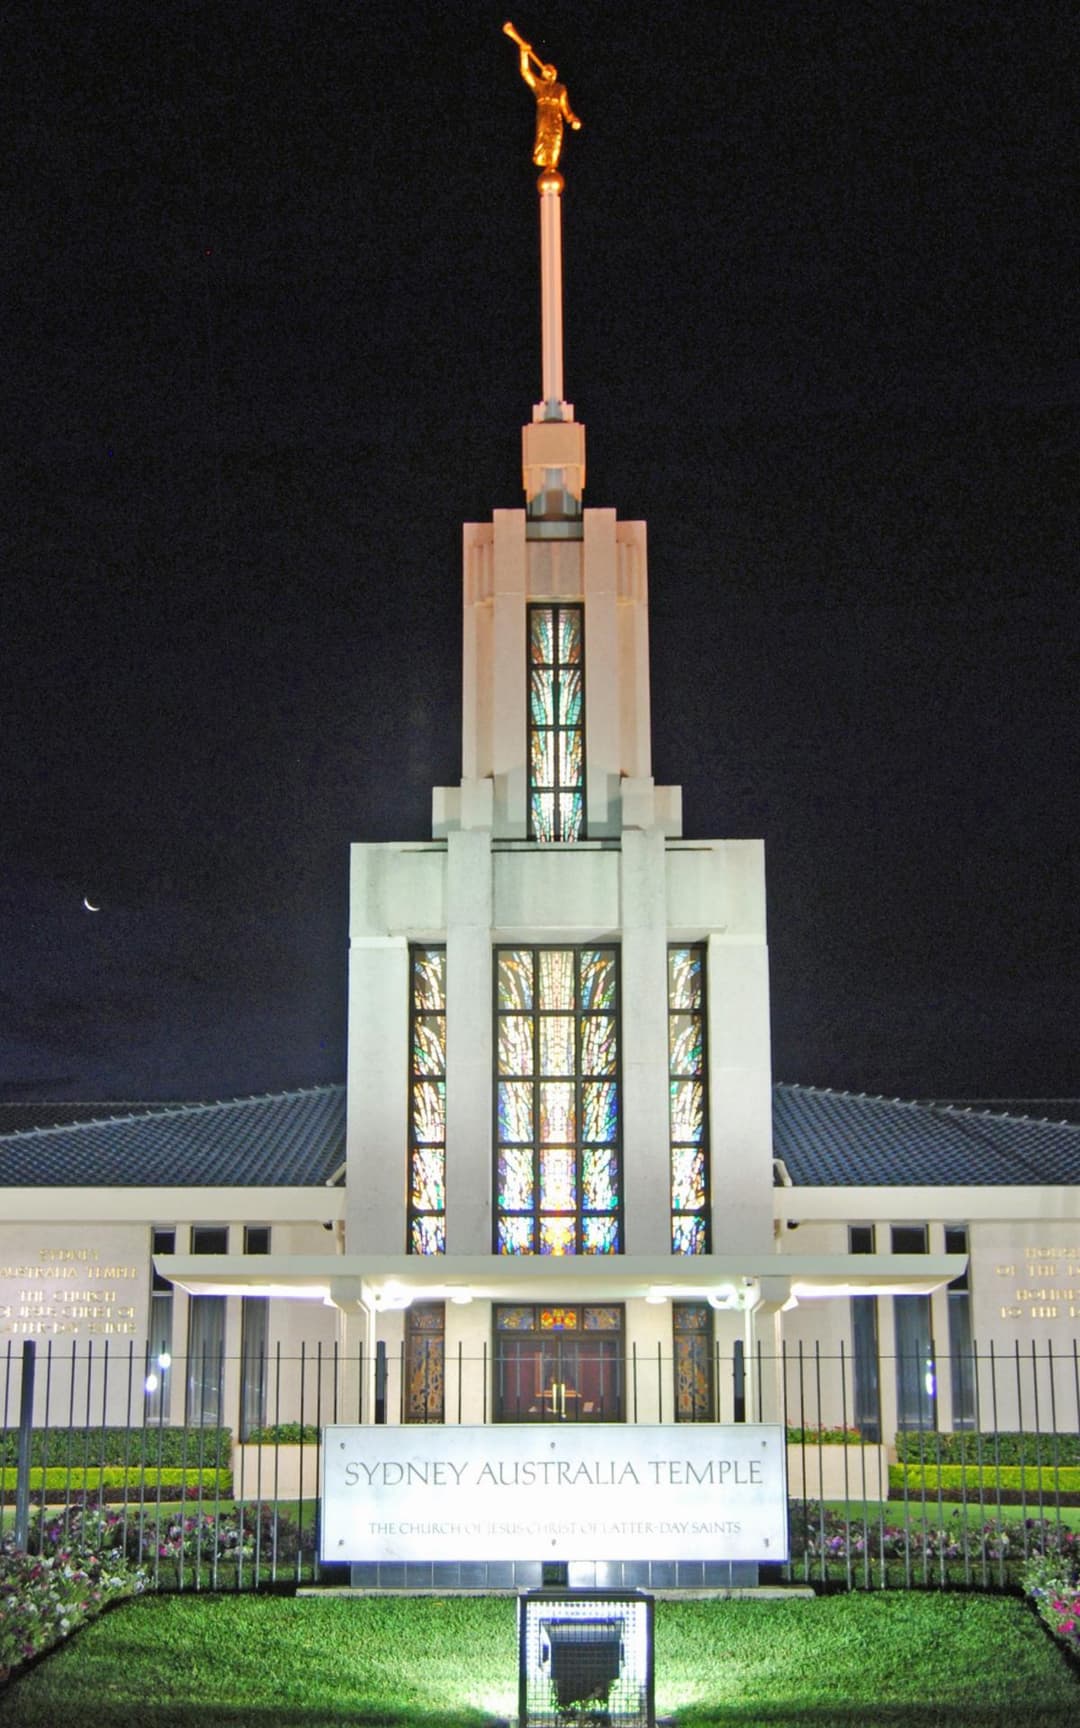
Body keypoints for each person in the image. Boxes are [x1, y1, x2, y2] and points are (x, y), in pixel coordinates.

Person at [517, 47, 581, 170]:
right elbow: (525, 71)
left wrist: (573, 119)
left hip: (556, 116)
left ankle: (552, 163)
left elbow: (565, 108)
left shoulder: (560, 88)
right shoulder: (539, 85)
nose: (551, 72)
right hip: (544, 114)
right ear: (543, 73)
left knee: (555, 137)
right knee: (543, 136)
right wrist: (524, 52)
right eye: (548, 69)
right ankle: (542, 160)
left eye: (553, 70)